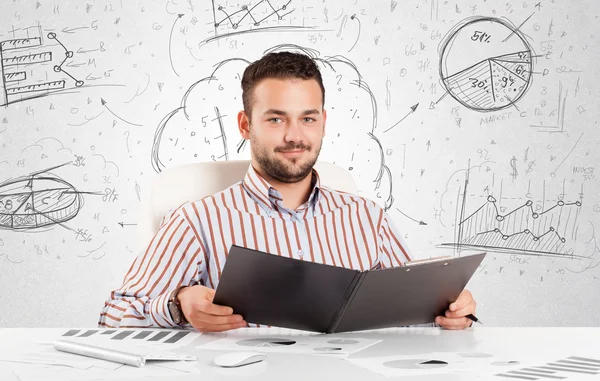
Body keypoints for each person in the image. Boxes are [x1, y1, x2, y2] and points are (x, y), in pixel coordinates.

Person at [99, 51, 476, 332]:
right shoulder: (197, 220)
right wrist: (179, 305)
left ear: (323, 123)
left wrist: (451, 311)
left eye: (307, 119)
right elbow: (112, 317)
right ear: (246, 125)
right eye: (276, 119)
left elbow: (414, 314)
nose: (295, 136)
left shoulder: (367, 217)